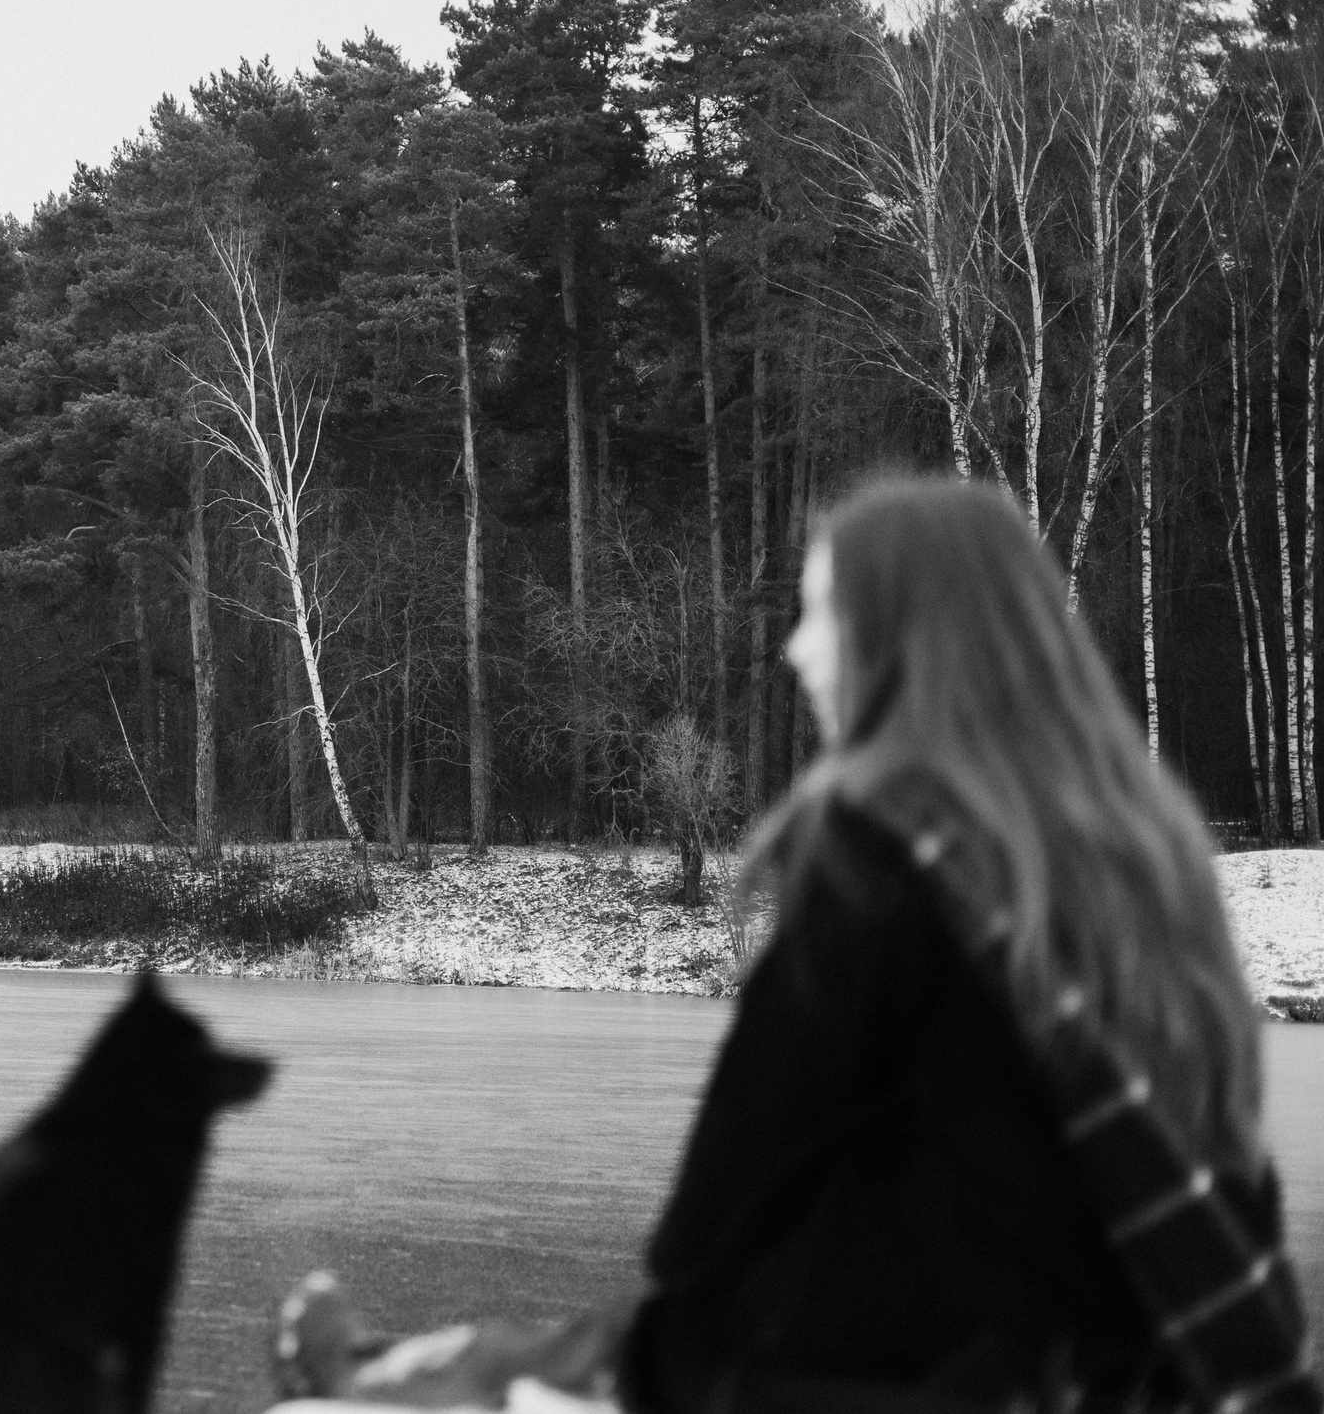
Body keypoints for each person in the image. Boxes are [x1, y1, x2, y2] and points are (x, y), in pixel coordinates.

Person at [272, 478, 1319, 1414]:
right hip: (1103, 1368)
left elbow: (709, 1211)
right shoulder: (1152, 869)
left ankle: (362, 1376)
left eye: (821, 615)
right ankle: (372, 1365)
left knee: (602, 1349)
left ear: (897, 642)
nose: (796, 652)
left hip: (905, 1377)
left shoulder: (883, 857)